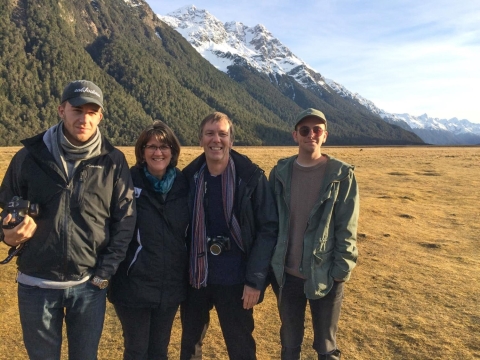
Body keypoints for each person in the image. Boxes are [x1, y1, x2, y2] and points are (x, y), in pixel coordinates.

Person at [0, 80, 136, 360]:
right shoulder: (29, 157)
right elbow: (5, 206)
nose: (84, 118)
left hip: (87, 285)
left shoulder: (113, 161)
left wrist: (103, 274)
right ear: (62, 110)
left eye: (91, 111)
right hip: (35, 285)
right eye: (77, 110)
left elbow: (125, 221)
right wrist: (6, 234)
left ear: (100, 116)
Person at [180, 112, 278, 360]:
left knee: (241, 347)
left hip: (237, 281)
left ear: (231, 140)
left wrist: (255, 280)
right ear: (200, 139)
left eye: (223, 134)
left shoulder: (252, 178)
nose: (216, 140)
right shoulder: (187, 179)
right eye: (210, 133)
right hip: (195, 278)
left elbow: (268, 229)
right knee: (190, 347)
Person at [269, 108, 359, 360]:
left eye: (317, 130)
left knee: (326, 346)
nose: (311, 134)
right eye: (305, 130)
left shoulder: (341, 175)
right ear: (295, 135)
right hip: (286, 276)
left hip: (326, 274)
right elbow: (270, 223)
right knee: (289, 343)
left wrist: (340, 272)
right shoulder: (279, 173)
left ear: (325, 135)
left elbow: (347, 228)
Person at [108, 121, 190, 359]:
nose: (158, 152)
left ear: (173, 151)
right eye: (151, 146)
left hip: (171, 285)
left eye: (164, 146)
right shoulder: (126, 182)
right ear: (142, 152)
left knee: (159, 351)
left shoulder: (184, 183)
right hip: (133, 285)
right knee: (136, 350)